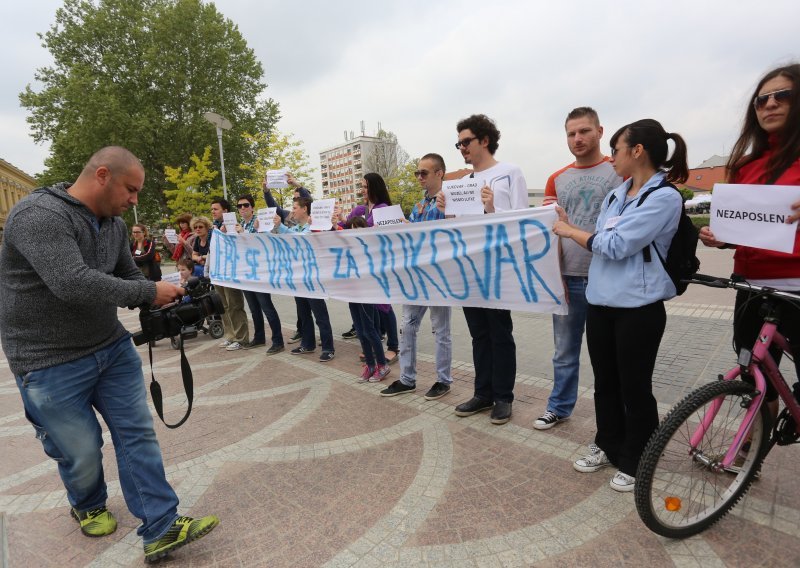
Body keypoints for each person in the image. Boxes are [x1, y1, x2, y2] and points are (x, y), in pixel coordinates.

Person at [0, 146, 218, 563]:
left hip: (110, 347)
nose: (134, 200)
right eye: (131, 189)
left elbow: (127, 274)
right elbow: (72, 283)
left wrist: (155, 301)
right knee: (81, 451)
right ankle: (87, 503)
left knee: (136, 434)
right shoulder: (38, 215)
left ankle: (160, 525)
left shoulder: (115, 224)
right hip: (47, 360)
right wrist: (147, 291)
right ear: (102, 175)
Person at [553, 119, 688, 492]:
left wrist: (571, 232)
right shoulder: (618, 194)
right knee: (605, 384)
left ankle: (637, 455)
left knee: (635, 387)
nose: (612, 158)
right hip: (601, 303)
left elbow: (612, 245)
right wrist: (575, 227)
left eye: (616, 150)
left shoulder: (664, 197)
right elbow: (599, 240)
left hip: (638, 309)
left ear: (637, 151)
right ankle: (607, 442)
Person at [699, 63, 800, 413]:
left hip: (796, 283)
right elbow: (746, 226)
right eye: (761, 100)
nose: (769, 104)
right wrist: (721, 237)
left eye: (782, 95)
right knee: (754, 371)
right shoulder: (745, 165)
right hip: (750, 284)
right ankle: (752, 447)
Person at [437, 114, 529, 425]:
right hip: (470, 268)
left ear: (484, 140)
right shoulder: (462, 183)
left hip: (500, 267)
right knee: (479, 334)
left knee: (500, 333)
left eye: (466, 141)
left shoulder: (509, 173)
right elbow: (459, 228)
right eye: (459, 143)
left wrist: (492, 208)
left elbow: (522, 220)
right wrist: (445, 211)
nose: (461, 148)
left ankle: (503, 396)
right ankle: (482, 392)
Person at [534, 108, 622, 430]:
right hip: (567, 277)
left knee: (608, 356)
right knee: (564, 351)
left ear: (600, 131)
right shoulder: (555, 179)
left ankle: (611, 419)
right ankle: (559, 406)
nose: (578, 139)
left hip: (607, 276)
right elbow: (545, 228)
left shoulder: (619, 171)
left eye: (584, 131)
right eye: (571, 134)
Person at [380, 153, 453, 400]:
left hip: (440, 276)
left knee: (440, 330)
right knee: (407, 326)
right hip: (416, 276)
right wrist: (402, 227)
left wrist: (447, 213)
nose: (419, 177)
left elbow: (458, 232)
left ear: (439, 173)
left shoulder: (451, 200)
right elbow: (413, 235)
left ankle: (443, 380)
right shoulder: (420, 205)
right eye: (417, 173)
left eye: (424, 173)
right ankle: (407, 379)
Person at [336, 173, 400, 361]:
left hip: (379, 265)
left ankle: (393, 346)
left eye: (365, 186)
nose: (362, 190)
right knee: (370, 306)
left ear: (374, 187)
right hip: (361, 268)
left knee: (384, 305)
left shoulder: (383, 209)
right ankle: (374, 344)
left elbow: (384, 235)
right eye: (361, 186)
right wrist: (335, 221)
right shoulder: (359, 210)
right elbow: (345, 226)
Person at [273, 197, 336, 362]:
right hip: (298, 277)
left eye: (295, 207)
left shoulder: (314, 227)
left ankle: (329, 347)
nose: (292, 211)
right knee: (303, 313)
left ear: (305, 209)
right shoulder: (297, 227)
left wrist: (281, 227)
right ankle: (308, 344)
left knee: (319, 314)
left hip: (313, 278)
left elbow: (300, 238)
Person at [264, 173, 313, 344]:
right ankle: (303, 332)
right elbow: (273, 206)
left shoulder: (307, 218)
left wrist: (297, 185)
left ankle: (315, 336)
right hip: (294, 268)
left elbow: (307, 199)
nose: (294, 206)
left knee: (313, 307)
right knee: (300, 305)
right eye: (293, 202)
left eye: (297, 201)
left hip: (308, 267)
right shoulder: (287, 216)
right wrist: (266, 192)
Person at [342, 215, 391, 382]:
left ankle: (382, 365)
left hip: (366, 292)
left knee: (370, 330)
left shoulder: (370, 247)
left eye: (358, 227)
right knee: (361, 331)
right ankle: (370, 365)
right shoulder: (347, 248)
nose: (355, 231)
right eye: (351, 228)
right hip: (352, 292)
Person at [235, 193, 285, 354]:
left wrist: (244, 234)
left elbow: (262, 244)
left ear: (252, 207)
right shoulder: (240, 224)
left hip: (260, 272)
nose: (242, 208)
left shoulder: (260, 222)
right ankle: (259, 337)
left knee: (266, 307)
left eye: (246, 205)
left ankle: (278, 341)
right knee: (254, 308)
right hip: (245, 272)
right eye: (239, 206)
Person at [210, 198, 250, 351]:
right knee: (224, 306)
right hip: (218, 270)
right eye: (212, 209)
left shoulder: (234, 225)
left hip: (231, 271)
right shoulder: (215, 227)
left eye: (216, 209)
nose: (213, 212)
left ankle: (242, 338)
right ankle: (230, 335)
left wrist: (226, 234)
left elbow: (238, 246)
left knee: (234, 305)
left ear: (225, 211)